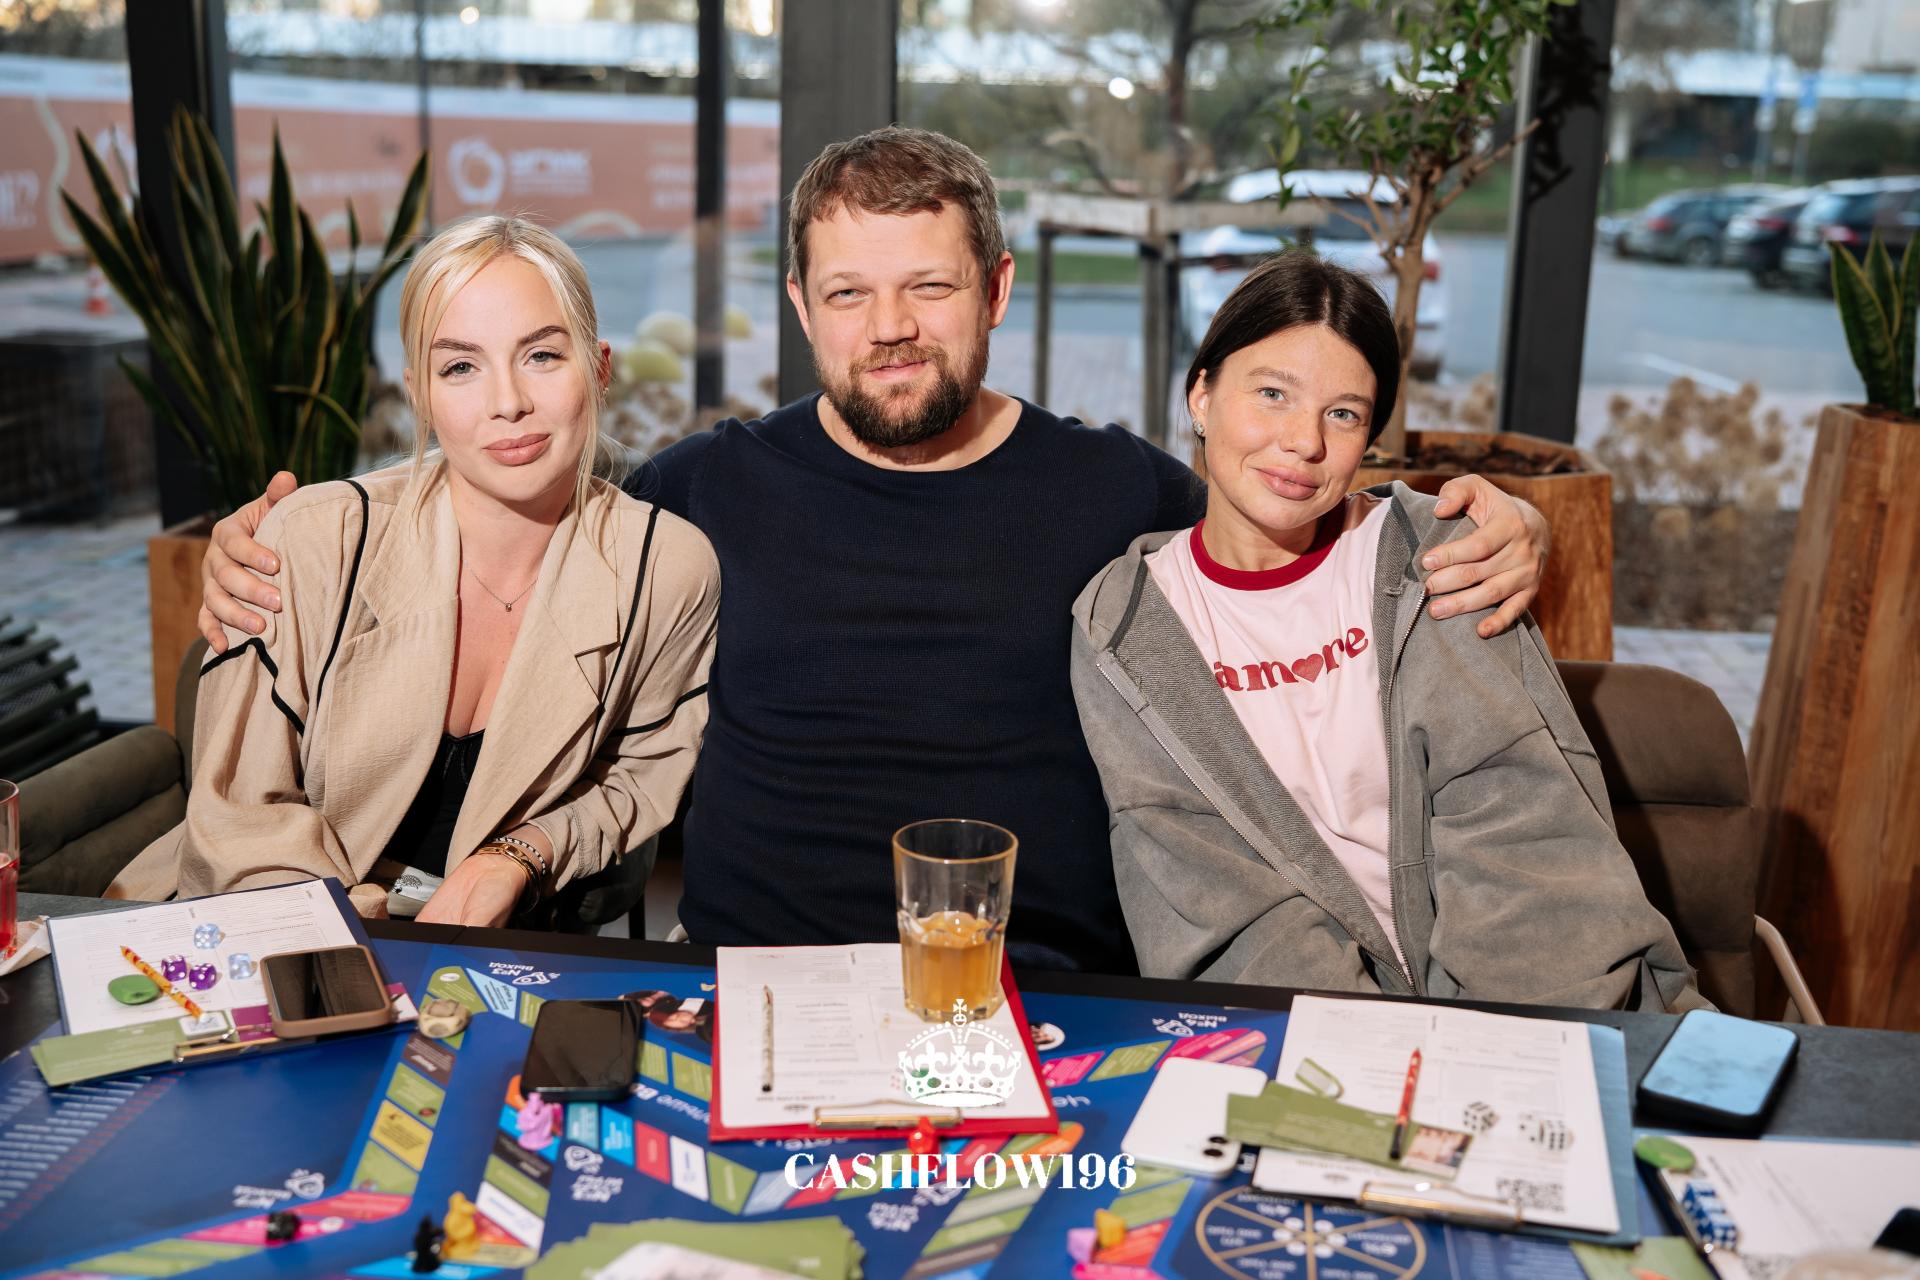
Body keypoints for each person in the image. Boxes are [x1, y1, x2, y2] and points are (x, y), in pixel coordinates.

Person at [195, 128, 1549, 970]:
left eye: (929, 286)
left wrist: (1500, 521)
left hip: (1046, 997)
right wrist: (275, 553)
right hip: (741, 997)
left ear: (998, 289)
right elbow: (502, 498)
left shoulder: (1119, 490)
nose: (888, 326)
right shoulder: (694, 495)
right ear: (801, 305)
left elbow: (1297, 517)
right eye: (848, 291)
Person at [1069, 251, 1703, 1010]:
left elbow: (1520, 837)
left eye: (1343, 413)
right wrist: (1359, 1051)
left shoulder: (1437, 557)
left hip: (1534, 1011)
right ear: (1200, 395)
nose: (1304, 442)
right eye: (1272, 393)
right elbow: (1214, 902)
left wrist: (1489, 1044)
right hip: (1301, 1032)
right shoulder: (1124, 631)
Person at [111, 216, 720, 927]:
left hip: (494, 949)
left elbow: (638, 772)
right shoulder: (315, 540)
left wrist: (523, 854)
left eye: (542, 356)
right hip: (259, 920)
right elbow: (241, 827)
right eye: (460, 366)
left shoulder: (667, 569)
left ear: (600, 368)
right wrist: (376, 941)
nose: (508, 403)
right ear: (419, 393)